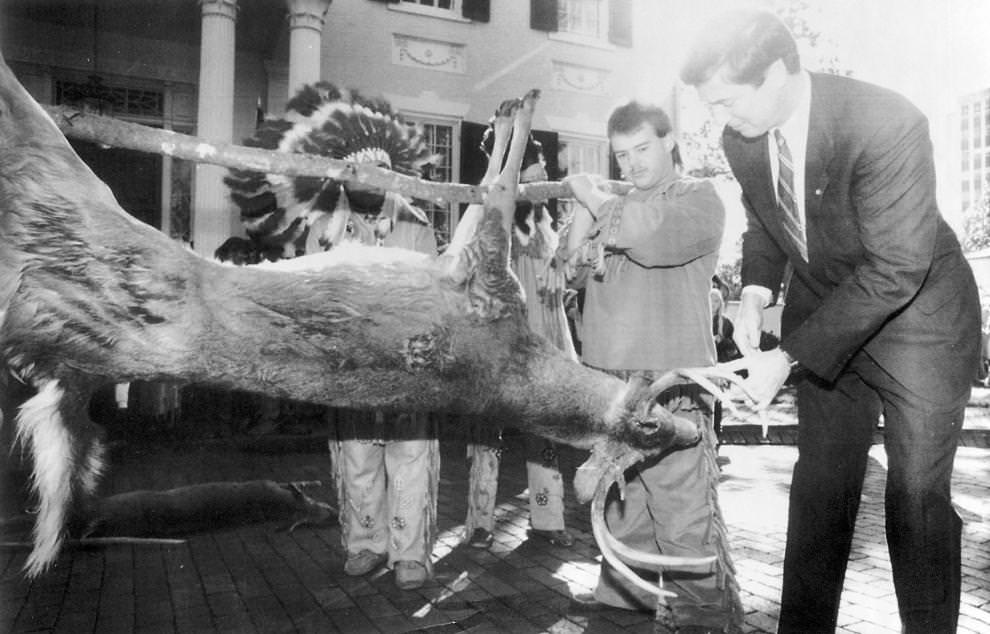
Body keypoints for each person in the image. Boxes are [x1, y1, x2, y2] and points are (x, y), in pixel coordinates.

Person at [680, 10, 981, 633]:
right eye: (711, 106)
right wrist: (756, 295)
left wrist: (787, 356)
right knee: (819, 489)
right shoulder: (743, 138)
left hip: (919, 321)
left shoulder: (886, 120)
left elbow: (895, 267)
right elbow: (767, 218)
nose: (719, 121)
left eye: (727, 101)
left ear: (778, 72)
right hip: (829, 312)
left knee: (916, 499)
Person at [562, 101, 742, 633]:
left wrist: (595, 198)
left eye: (642, 148)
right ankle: (625, 603)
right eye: (621, 155)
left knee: (680, 507)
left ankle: (702, 614)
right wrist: (582, 211)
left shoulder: (698, 199)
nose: (632, 164)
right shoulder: (613, 205)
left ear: (669, 141)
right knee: (624, 501)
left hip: (669, 383)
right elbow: (573, 274)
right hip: (611, 383)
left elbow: (654, 238)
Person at [464, 126, 575, 551]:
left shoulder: (547, 226)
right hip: (499, 339)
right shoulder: (493, 221)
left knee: (543, 436)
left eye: (540, 165)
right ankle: (479, 521)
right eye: (531, 165)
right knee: (485, 435)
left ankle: (548, 518)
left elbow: (555, 291)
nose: (540, 174)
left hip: (541, 341)